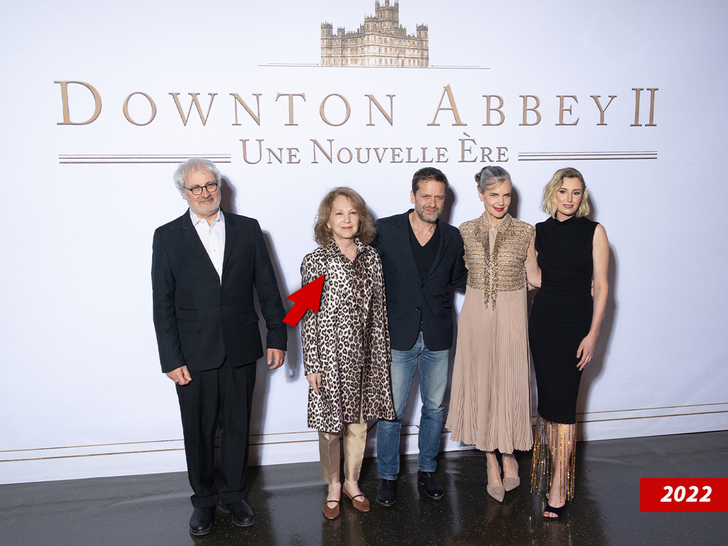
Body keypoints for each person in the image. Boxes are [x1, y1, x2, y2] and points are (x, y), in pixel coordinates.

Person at [152, 158, 287, 535]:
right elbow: (162, 303)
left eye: (210, 184)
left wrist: (277, 336)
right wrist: (170, 358)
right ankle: (203, 501)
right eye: (195, 188)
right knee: (197, 431)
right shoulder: (167, 236)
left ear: (220, 186)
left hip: (241, 346)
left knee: (237, 427)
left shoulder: (249, 229)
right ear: (184, 193)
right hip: (193, 354)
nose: (205, 193)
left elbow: (268, 288)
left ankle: (233, 495)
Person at [372, 167, 468, 506]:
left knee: (435, 408)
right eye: (425, 195)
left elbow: (462, 280)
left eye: (438, 197)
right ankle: (387, 475)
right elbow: (357, 267)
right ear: (412, 195)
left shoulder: (453, 237)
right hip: (398, 335)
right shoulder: (385, 229)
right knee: (391, 411)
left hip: (438, 335)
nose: (432, 202)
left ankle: (427, 469)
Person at [300, 187, 395, 520]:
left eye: (352, 212)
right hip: (329, 357)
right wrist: (312, 364)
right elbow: (306, 316)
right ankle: (333, 484)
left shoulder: (372, 258)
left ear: (360, 218)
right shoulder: (314, 261)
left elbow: (380, 311)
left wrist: (382, 357)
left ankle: (352, 482)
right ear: (327, 221)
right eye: (339, 213)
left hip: (366, 355)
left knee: (359, 422)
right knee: (331, 426)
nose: (346, 219)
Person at [445, 166, 539, 502]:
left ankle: (509, 452)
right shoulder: (465, 230)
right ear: (481, 194)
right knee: (482, 381)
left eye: (506, 195)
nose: (501, 201)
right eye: (494, 194)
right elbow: (455, 272)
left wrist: (576, 284)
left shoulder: (526, 231)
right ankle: (490, 459)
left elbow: (534, 277)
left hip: (512, 314)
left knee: (509, 380)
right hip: (477, 315)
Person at [528, 167, 609, 519]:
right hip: (543, 324)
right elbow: (532, 278)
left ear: (583, 196)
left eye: (576, 192)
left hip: (576, 326)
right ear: (553, 193)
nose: (569, 198)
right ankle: (556, 475)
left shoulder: (595, 231)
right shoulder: (537, 232)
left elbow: (602, 287)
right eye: (563, 191)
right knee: (549, 406)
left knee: (563, 406)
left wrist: (593, 334)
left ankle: (559, 484)